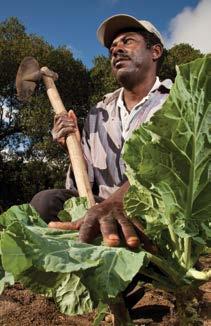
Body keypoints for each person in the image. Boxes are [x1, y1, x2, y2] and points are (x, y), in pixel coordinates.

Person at [30, 14, 172, 249]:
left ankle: (160, 262)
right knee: (45, 203)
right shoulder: (98, 112)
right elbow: (84, 189)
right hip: (103, 214)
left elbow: (170, 170)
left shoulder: (176, 102)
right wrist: (72, 148)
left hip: (157, 213)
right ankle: (105, 272)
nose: (116, 50)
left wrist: (119, 202)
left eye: (127, 41)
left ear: (155, 51)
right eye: (112, 48)